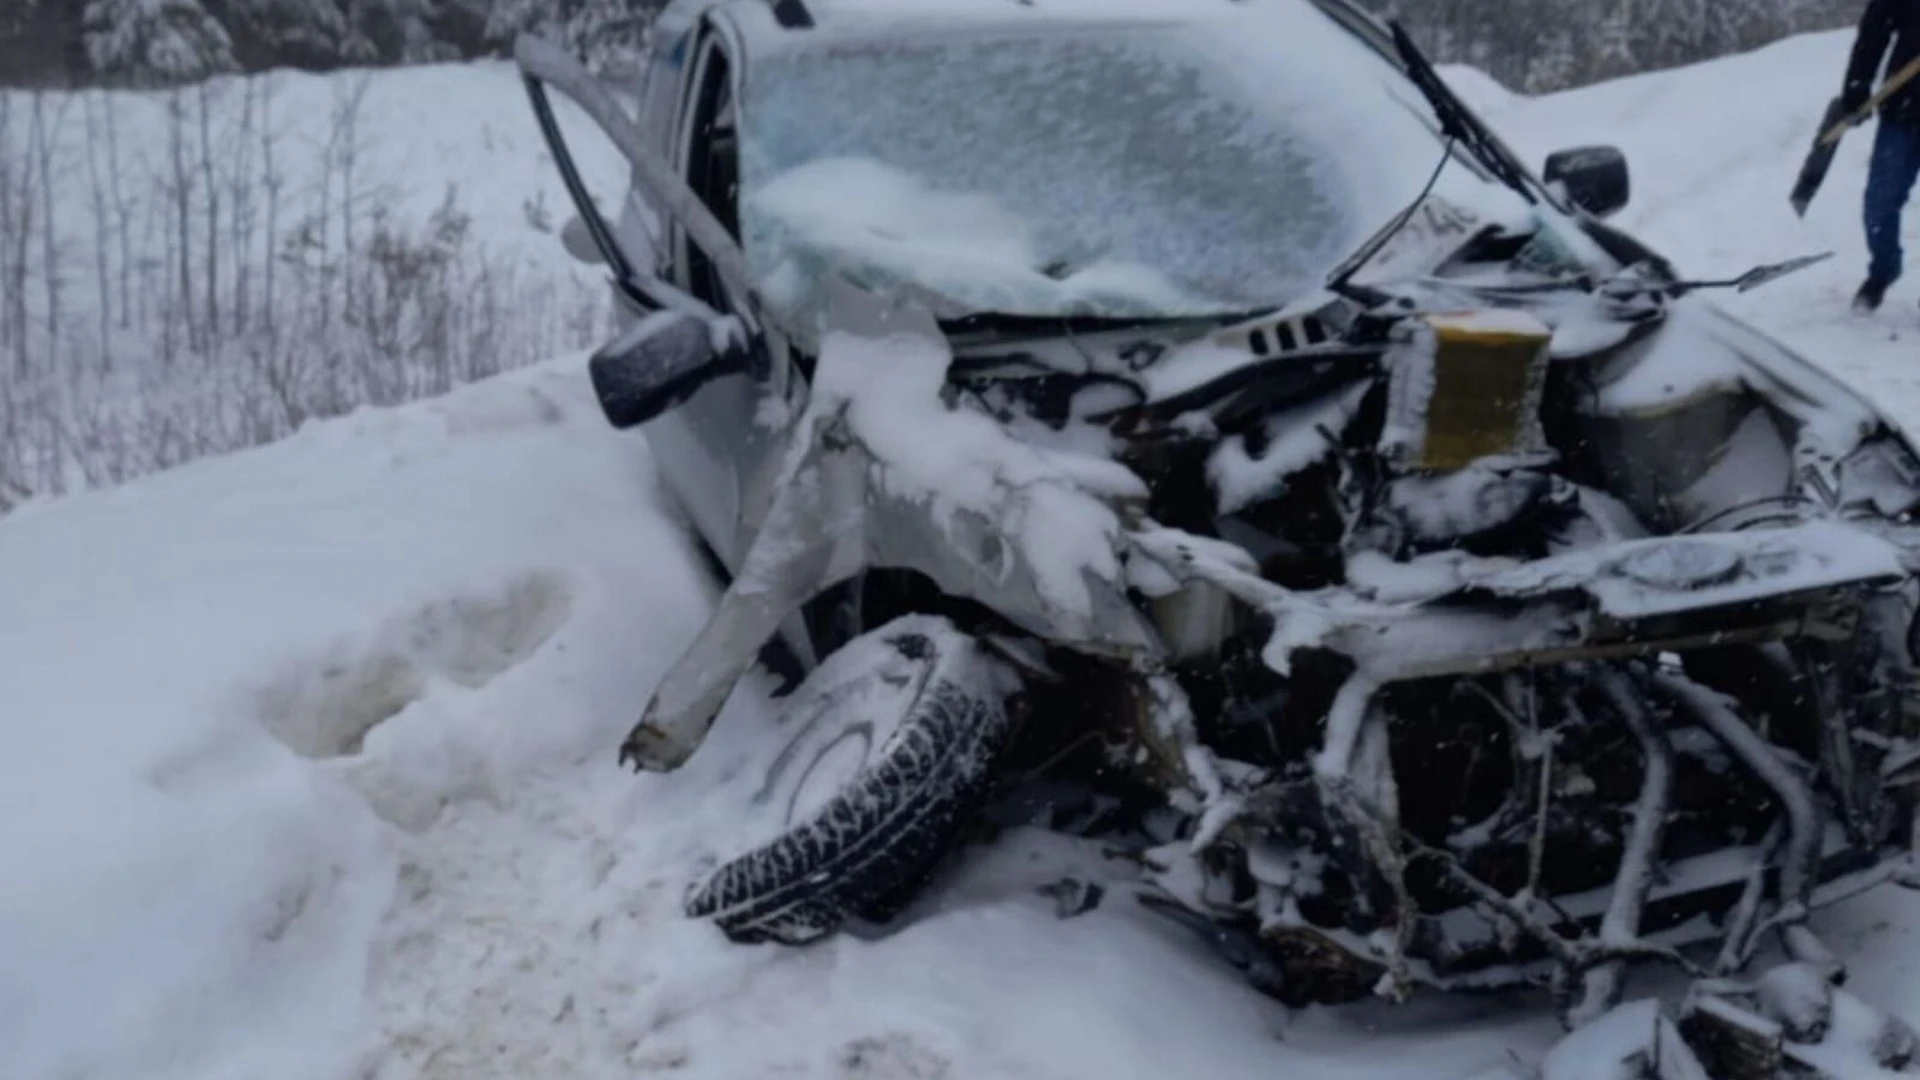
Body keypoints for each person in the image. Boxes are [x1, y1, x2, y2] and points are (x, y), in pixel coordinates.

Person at [1843, 0, 1920, 313]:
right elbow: (1875, 29)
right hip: (1903, 107)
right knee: (1879, 202)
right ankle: (1884, 268)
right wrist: (1857, 86)